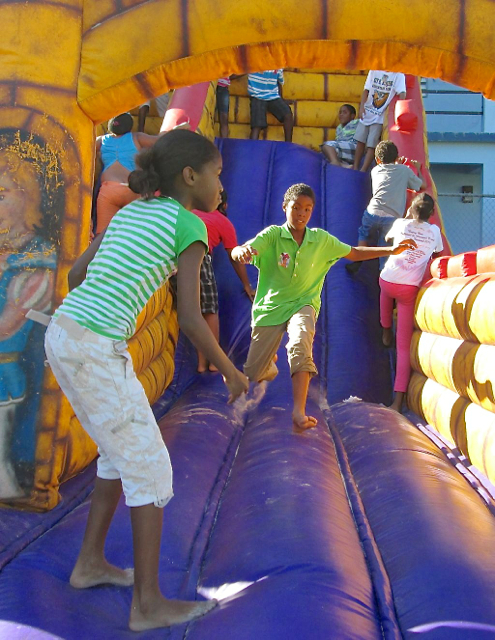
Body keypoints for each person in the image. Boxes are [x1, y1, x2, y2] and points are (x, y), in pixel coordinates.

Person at [44, 130, 248, 632]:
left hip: (67, 332)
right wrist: (232, 372)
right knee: (153, 472)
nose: (222, 184)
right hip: (94, 346)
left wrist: (104, 305)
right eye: (218, 173)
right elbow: (192, 317)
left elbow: (76, 277)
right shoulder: (190, 227)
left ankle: (91, 564)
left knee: (118, 455)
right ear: (190, 176)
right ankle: (148, 605)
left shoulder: (133, 210)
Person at [231, 183, 417, 431]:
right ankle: (268, 363)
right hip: (270, 308)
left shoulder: (320, 240)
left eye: (307, 209)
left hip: (303, 304)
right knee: (253, 372)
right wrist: (241, 251)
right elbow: (241, 250)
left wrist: (390, 250)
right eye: (296, 208)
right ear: (284, 207)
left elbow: (354, 253)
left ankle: (299, 412)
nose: (301, 214)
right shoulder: (273, 236)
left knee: (300, 344)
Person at [379, 193, 443, 413]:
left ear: (410, 209)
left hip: (389, 280)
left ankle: (385, 327)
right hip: (409, 290)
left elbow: (388, 240)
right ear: (432, 214)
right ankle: (397, 402)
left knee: (385, 288)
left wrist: (407, 219)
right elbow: (438, 254)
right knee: (403, 348)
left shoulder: (400, 223)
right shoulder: (434, 231)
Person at [193, 190, 256, 373]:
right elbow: (235, 257)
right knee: (210, 310)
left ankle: (200, 363)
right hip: (199, 258)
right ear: (225, 206)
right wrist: (246, 284)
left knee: (193, 312)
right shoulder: (222, 221)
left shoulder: (192, 212)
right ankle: (213, 361)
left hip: (174, 259)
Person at [348, 140, 426, 275]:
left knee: (364, 232)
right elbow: (421, 186)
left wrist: (397, 165)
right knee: (385, 246)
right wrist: (418, 168)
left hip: (372, 212)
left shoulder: (375, 170)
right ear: (396, 157)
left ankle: (359, 257)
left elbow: (390, 176)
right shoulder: (404, 171)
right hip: (392, 217)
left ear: (378, 160)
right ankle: (382, 273)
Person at [95, 112, 163, 233]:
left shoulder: (102, 140)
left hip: (109, 190)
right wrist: (176, 129)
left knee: (102, 235)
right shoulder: (136, 137)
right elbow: (159, 141)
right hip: (132, 189)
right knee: (135, 232)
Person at [353, 71, 406, 172]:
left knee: (371, 144)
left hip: (379, 115)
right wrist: (362, 107)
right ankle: (355, 166)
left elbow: (402, 93)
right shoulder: (374, 71)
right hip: (367, 111)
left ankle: (363, 169)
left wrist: (399, 109)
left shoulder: (398, 75)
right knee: (360, 140)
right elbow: (366, 90)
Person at [247, 70, 294, 142]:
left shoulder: (278, 64)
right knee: (257, 125)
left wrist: (281, 99)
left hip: (273, 96)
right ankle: (252, 149)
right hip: (257, 96)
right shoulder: (257, 61)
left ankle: (288, 144)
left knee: (288, 115)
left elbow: (278, 81)